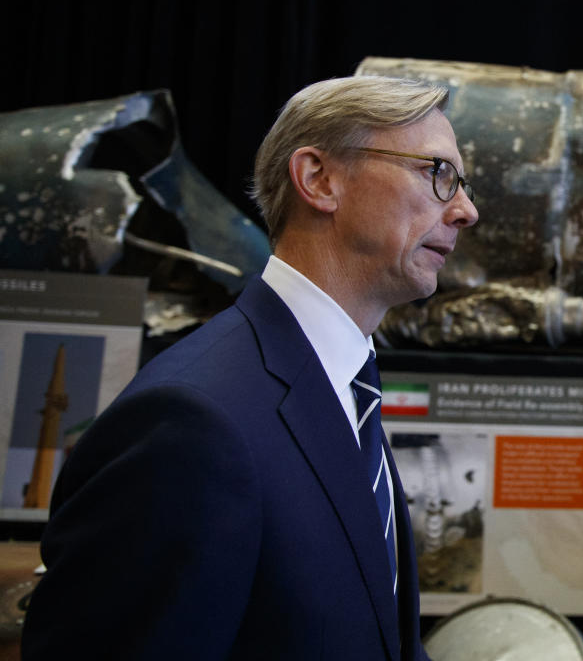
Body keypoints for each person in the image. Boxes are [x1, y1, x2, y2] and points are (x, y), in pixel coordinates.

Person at [21, 76, 479, 660]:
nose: (465, 210)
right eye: (437, 173)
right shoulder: (191, 422)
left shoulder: (346, 389)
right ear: (319, 179)